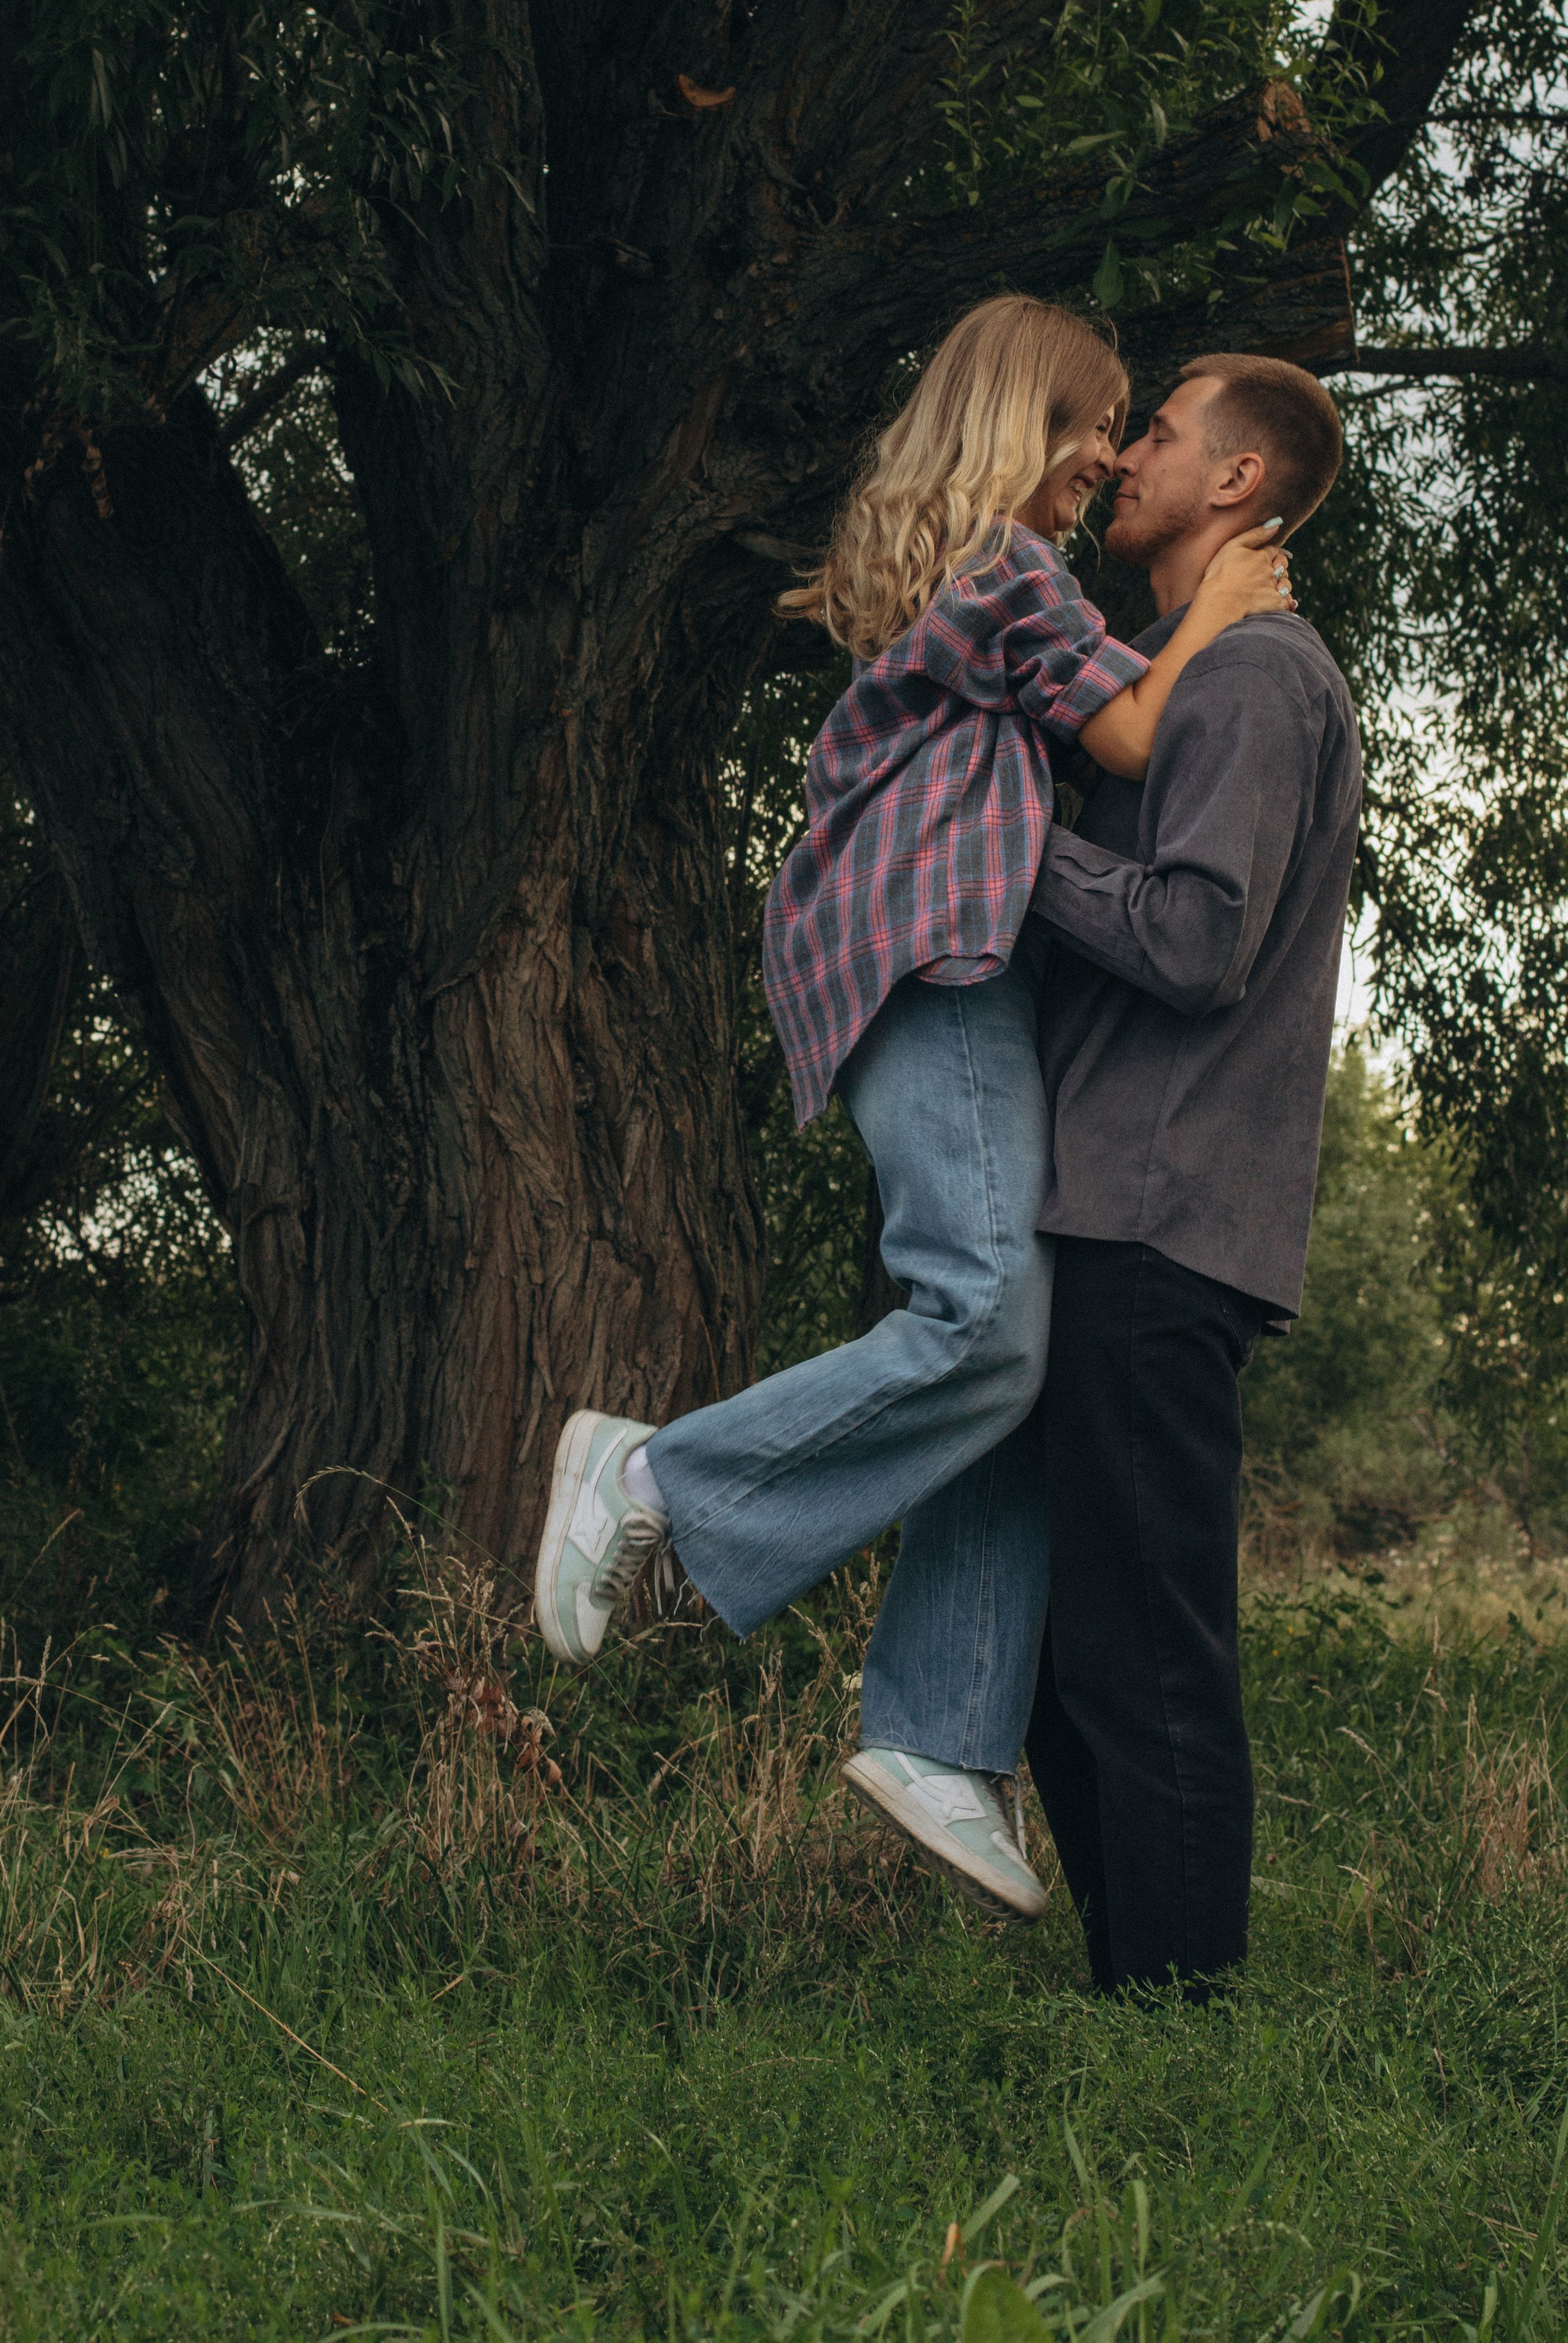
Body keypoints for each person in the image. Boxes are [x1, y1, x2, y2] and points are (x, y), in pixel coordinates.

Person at [531, 294, 1294, 1920]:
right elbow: (1144, 727)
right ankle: (655, 1479)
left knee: (1000, 1369)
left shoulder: (994, 577)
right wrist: (1219, 602)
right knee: (981, 1324)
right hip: (936, 983)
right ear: (1021, 420)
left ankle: (939, 1735)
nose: (1106, 452)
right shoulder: (1010, 574)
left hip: (962, 991)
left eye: (1131, 427)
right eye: (1096, 422)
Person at [1021, 353, 1361, 1999]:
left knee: (1141, 1646)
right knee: (1047, 1650)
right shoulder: (1177, 668)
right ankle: (1137, 1994)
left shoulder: (1250, 682)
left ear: (1235, 481)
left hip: (1152, 1222)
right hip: (1100, 1212)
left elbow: (1192, 936)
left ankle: (1175, 2024)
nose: (1126, 451)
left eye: (1154, 430)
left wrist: (999, 849)